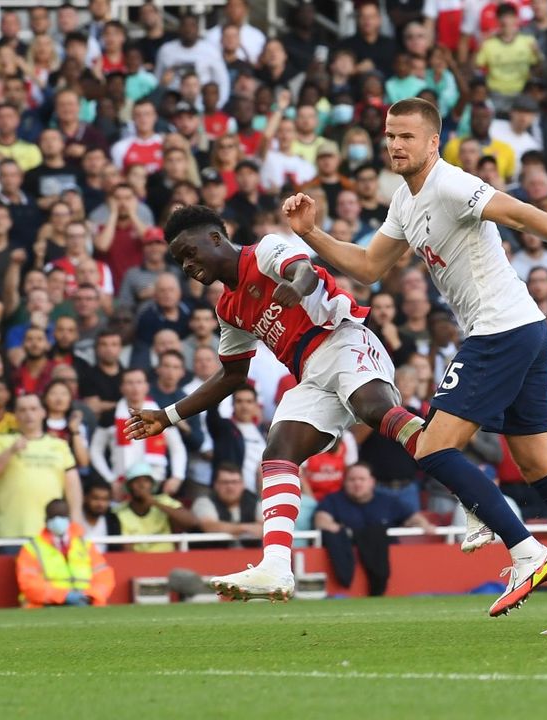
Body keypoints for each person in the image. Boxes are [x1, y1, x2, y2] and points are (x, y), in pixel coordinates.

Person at [283, 97, 547, 629]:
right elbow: (370, 267)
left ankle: (525, 551)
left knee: (433, 446)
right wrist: (312, 235)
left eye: (407, 136)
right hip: (523, 330)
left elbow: (515, 211)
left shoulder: (450, 184)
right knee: (542, 468)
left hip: (499, 332)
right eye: (390, 135)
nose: (395, 144)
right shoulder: (404, 200)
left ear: (433, 142)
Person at [127, 204, 435, 599]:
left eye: (189, 252)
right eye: (179, 261)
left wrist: (295, 285)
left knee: (373, 410)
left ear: (216, 238)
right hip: (310, 375)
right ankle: (275, 566)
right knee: (278, 450)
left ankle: (460, 476)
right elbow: (233, 375)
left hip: (342, 338)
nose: (187, 265)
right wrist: (167, 416)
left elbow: (302, 270)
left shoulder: (266, 250)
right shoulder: (228, 309)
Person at [315, 463, 435, 596]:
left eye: (362, 479)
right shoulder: (333, 500)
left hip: (388, 564)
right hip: (345, 562)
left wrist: (424, 524)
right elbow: (321, 519)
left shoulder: (388, 501)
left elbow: (412, 517)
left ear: (372, 482)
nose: (357, 484)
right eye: (352, 480)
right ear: (345, 482)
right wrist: (336, 528)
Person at [0, 393, 82, 541]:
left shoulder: (59, 445)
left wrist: (75, 518)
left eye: (33, 409)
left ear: (43, 412)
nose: (29, 414)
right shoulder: (2, 441)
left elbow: (72, 485)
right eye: (23, 410)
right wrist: (10, 451)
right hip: (13, 530)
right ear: (15, 415)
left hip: (52, 530)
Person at [16, 498, 115, 608]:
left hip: (85, 604)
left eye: (62, 516)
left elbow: (104, 576)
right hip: (46, 607)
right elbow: (29, 584)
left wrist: (91, 595)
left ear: (69, 518)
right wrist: (64, 596)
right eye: (53, 516)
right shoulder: (32, 548)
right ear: (46, 520)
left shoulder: (84, 545)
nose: (58, 521)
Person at [114, 463, 198, 552]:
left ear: (152, 484)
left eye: (146, 481)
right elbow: (126, 550)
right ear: (128, 486)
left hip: (169, 558)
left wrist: (155, 503)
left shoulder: (164, 500)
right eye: (136, 481)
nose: (142, 485)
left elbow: (192, 522)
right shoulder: (119, 511)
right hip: (140, 561)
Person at [192, 463, 261, 547]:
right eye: (225, 482)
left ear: (243, 484)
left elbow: (265, 526)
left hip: (250, 557)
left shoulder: (253, 501)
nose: (230, 487)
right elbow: (209, 526)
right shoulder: (204, 502)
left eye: (234, 482)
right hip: (211, 556)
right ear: (216, 485)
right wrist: (244, 528)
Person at [79, 478, 121, 552]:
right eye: (95, 498)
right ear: (85, 498)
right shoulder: (75, 518)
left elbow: (116, 549)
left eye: (105, 499)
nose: (100, 504)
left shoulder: (112, 520)